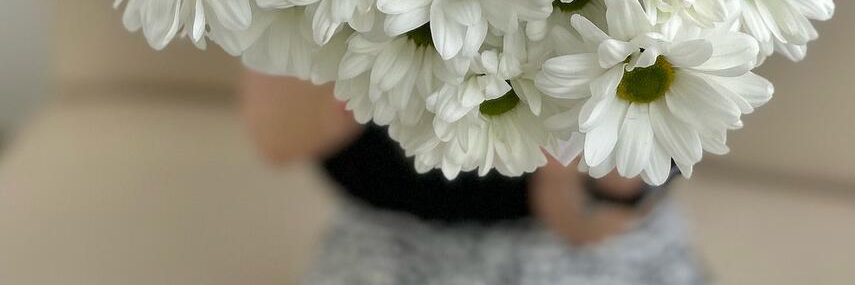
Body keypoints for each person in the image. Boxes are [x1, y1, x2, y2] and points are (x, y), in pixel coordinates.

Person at [242, 71, 708, 285]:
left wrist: (569, 159)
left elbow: (587, 221)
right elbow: (277, 137)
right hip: (386, 239)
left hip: (578, 243)